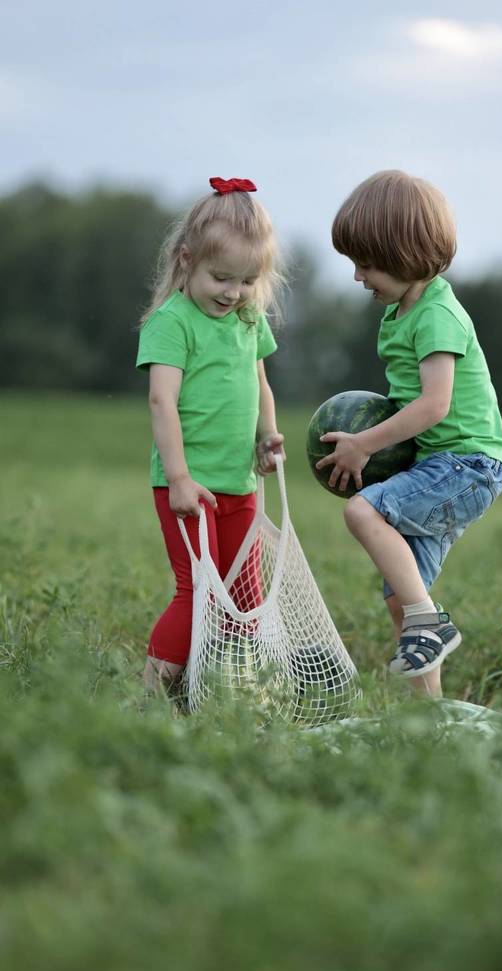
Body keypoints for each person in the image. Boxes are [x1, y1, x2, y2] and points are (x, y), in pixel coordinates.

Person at [318, 170, 502, 699]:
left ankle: (432, 622)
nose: (358, 276)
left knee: (363, 511)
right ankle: (430, 718)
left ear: (406, 255)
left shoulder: (437, 315)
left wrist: (365, 444)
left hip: (467, 464)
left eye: (367, 264)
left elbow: (434, 404)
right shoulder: (400, 313)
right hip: (440, 464)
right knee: (403, 598)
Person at [136, 176, 285, 700]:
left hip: (239, 486)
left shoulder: (248, 321)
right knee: (198, 592)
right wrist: (178, 476)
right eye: (221, 277)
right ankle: (151, 697)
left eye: (246, 281)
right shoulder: (171, 323)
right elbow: (162, 402)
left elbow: (260, 381)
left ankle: (225, 692)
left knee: (244, 598)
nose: (233, 293)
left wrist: (267, 435)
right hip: (188, 487)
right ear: (186, 260)